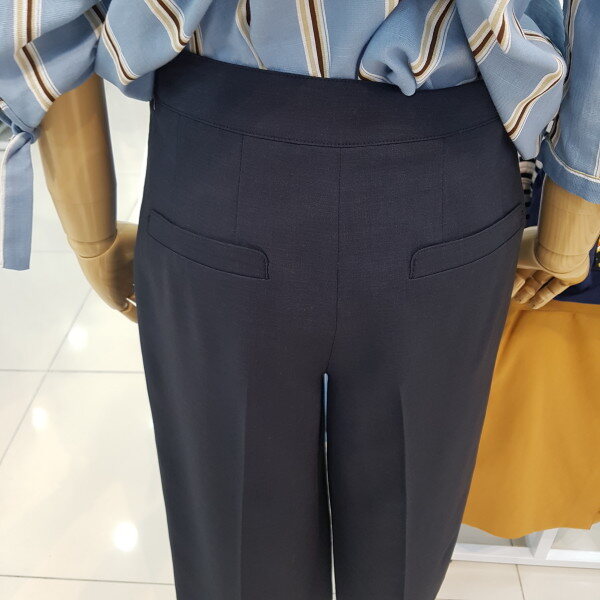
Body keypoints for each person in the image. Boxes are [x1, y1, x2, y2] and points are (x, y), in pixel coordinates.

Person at [1, 2, 599, 600]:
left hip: (218, 177)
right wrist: (571, 221)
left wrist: (91, 233)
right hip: (445, 184)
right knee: (407, 541)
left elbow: (48, 22)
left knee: (236, 552)